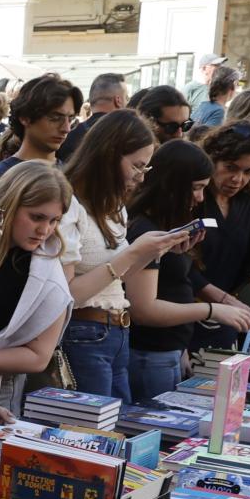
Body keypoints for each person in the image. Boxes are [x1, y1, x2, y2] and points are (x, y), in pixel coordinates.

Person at [56, 112, 178, 402]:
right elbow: (68, 295)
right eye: (137, 166)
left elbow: (116, 279)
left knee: (116, 430)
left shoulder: (114, 207)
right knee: (96, 434)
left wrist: (155, 252)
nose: (140, 176)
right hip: (83, 332)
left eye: (145, 168)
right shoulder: (68, 204)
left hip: (116, 332)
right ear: (109, 154)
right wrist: (135, 251)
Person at [125, 141, 246, 401]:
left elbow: (174, 284)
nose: (200, 198)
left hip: (166, 351)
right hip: (150, 354)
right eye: (196, 188)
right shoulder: (145, 230)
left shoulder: (162, 225)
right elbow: (144, 309)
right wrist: (211, 310)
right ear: (172, 185)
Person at [0, 162, 75, 416]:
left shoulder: (47, 274)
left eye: (54, 220)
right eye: (36, 217)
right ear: (9, 205)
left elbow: (38, 356)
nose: (44, 230)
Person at [193, 123, 250, 337]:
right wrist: (222, 299)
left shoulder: (247, 203)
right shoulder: (193, 199)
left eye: (249, 171)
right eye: (231, 167)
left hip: (228, 317)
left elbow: (247, 258)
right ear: (211, 160)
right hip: (187, 313)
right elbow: (176, 266)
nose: (238, 179)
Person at [0, 76, 80, 185]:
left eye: (71, 119)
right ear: (25, 117)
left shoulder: (73, 177)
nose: (66, 128)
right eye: (55, 117)